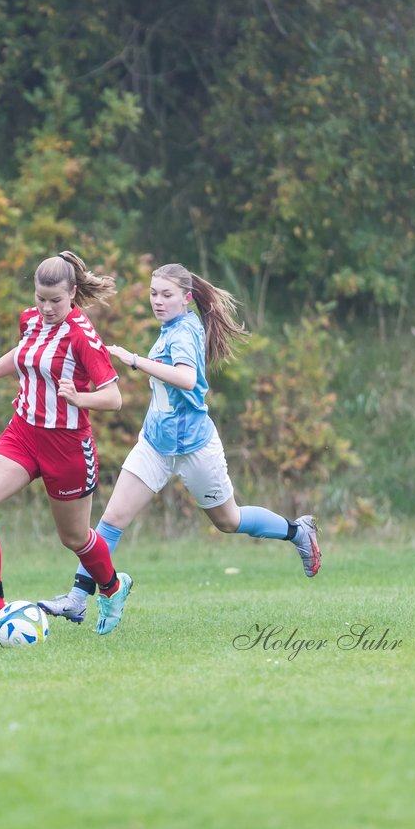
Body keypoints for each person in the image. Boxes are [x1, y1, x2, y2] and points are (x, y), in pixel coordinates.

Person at [38, 262, 321, 635]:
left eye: (166, 295)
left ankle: (297, 532)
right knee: (111, 520)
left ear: (186, 298)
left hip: (194, 448)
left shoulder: (184, 332)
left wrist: (136, 361)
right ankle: (77, 599)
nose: (158, 301)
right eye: (154, 293)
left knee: (229, 521)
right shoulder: (171, 327)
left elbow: (187, 379)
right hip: (155, 444)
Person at [0, 251, 133, 635]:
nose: (46, 308)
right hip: (23, 433)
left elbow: (113, 398)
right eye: (40, 299)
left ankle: (113, 588)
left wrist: (79, 398)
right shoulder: (30, 320)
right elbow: (22, 356)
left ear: (73, 293)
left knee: (74, 537)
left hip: (66, 446)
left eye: (56, 301)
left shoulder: (83, 336)